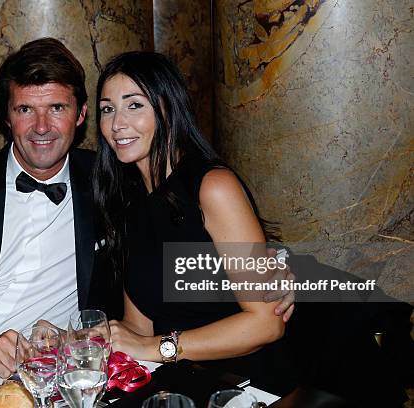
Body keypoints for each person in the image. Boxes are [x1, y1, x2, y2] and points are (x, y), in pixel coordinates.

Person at [0, 38, 293, 380]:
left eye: (57, 108)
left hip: (228, 377)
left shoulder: (104, 186)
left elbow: (251, 306)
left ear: (79, 115)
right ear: (5, 117)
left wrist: (280, 266)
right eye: (25, 110)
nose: (42, 127)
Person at [92, 51, 411, 405]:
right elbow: (139, 327)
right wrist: (89, 342)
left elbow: (265, 323)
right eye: (107, 109)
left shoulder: (212, 187)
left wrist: (159, 347)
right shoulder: (128, 203)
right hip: (186, 382)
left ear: (169, 108)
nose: (117, 123)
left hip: (252, 385)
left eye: (134, 105)